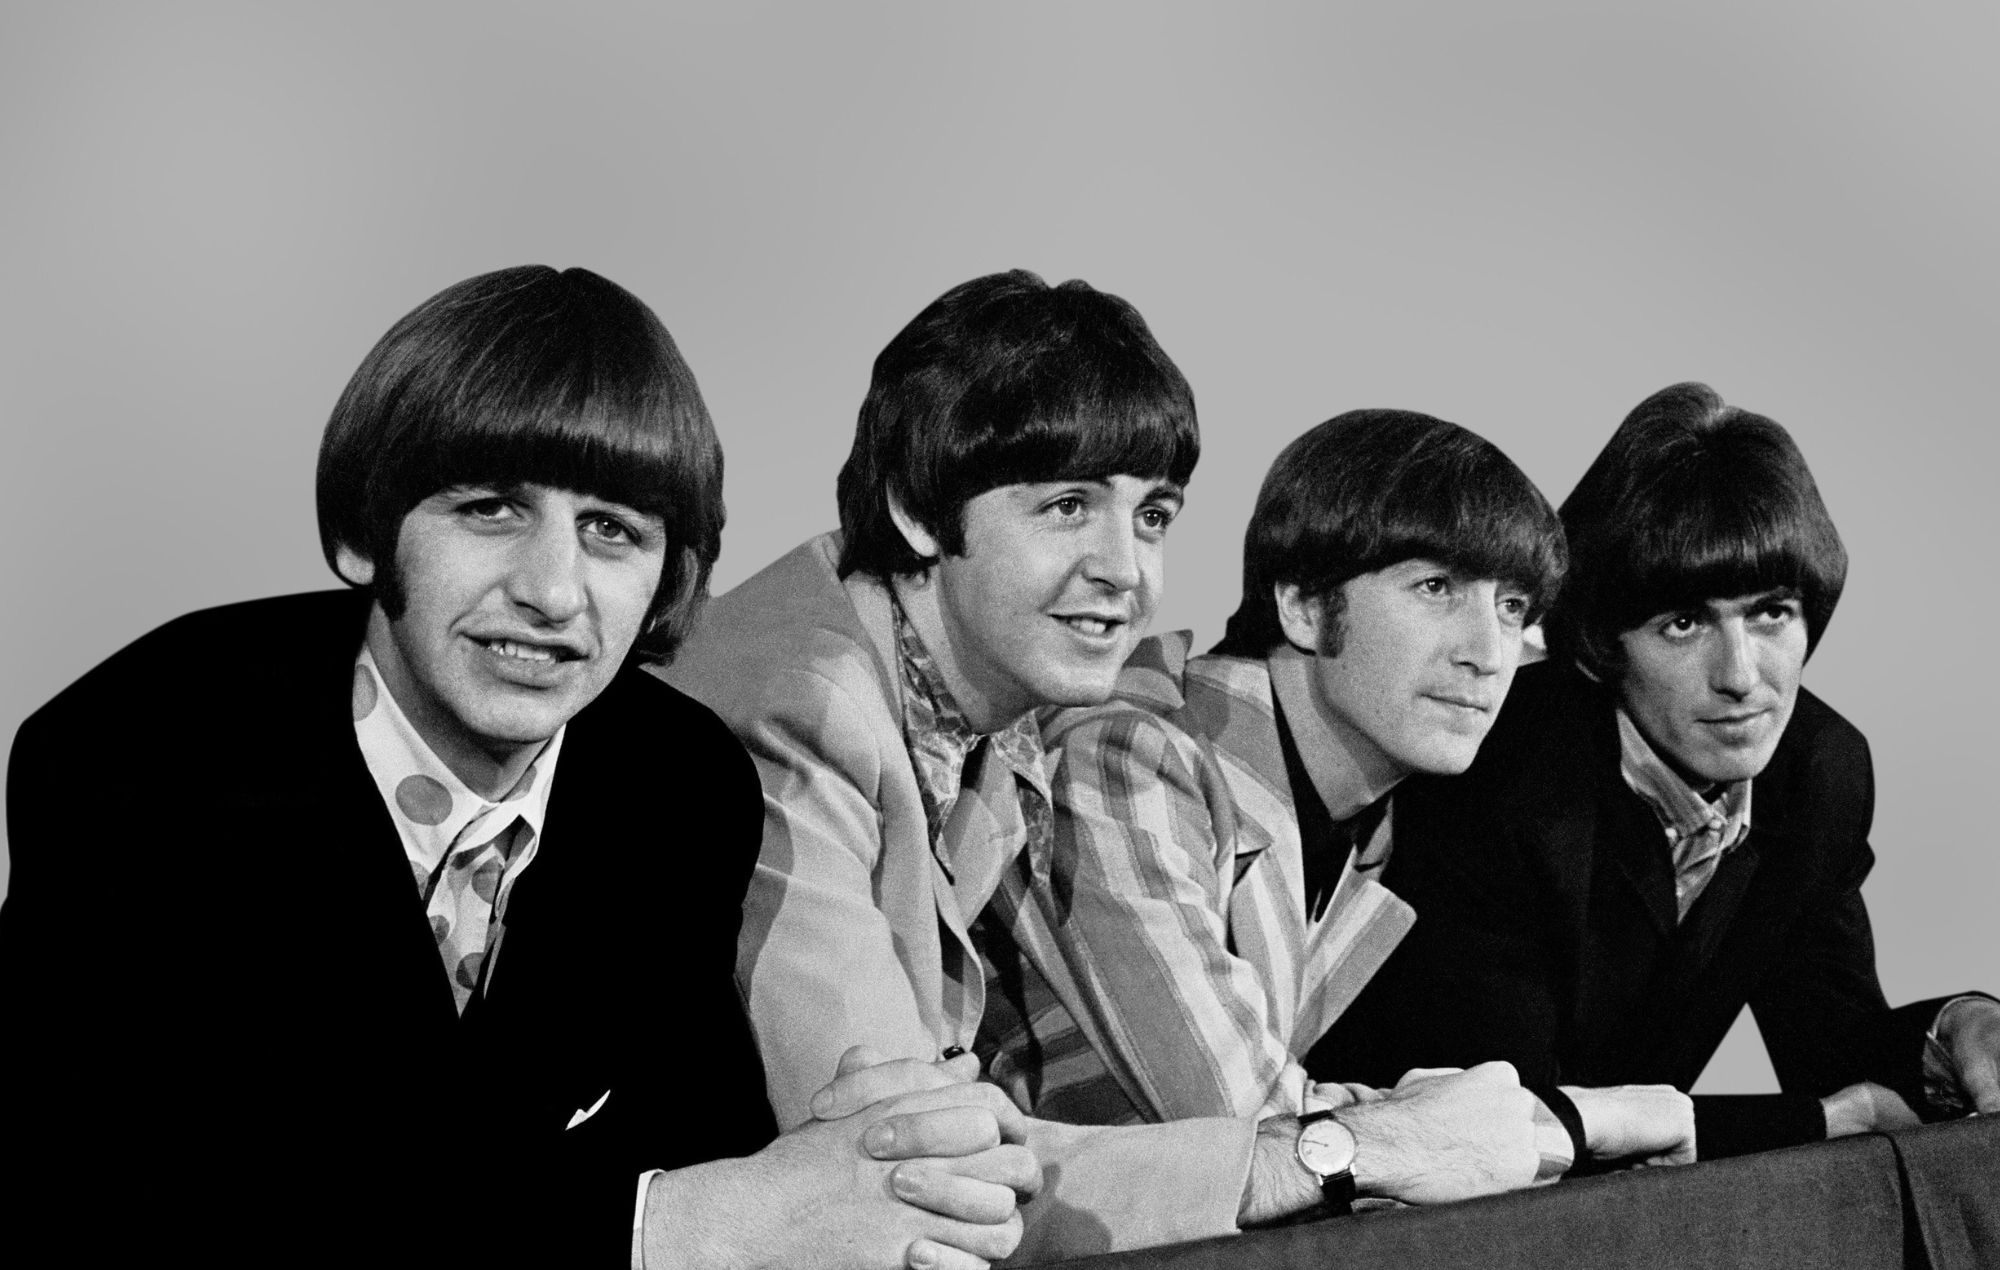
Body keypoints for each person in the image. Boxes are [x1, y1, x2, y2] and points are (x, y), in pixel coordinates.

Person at [0, 265, 1036, 1270]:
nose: (552, 589)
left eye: (610, 532)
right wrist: (672, 1228)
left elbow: (692, 1133)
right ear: (373, 526)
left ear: (666, 575)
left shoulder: (678, 781)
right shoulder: (134, 758)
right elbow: (139, 1209)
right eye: (490, 508)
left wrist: (847, 1152)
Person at [666, 273, 1548, 1262]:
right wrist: (1360, 1148)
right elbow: (903, 1175)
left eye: (1152, 516)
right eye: (1066, 506)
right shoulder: (806, 703)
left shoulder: (979, 719)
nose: (1124, 571)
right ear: (918, 508)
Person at [1308, 382, 2000, 1160]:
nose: (1741, 676)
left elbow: (1835, 1048)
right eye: (1684, 624)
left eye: (1770, 612)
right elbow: (1512, 1127)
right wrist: (1821, 1123)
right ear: (1604, 644)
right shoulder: (1496, 768)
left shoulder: (1818, 770)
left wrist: (1959, 1028)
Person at [998, 410, 1693, 1176]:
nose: (1488, 654)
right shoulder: (1129, 755)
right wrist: (1571, 1121)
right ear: (1300, 604)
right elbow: (1254, 1136)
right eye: (1436, 587)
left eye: (1512, 608)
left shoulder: (1369, 829)